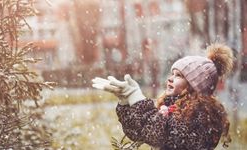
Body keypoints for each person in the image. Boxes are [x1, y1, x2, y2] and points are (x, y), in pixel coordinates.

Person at [92, 43, 233, 150]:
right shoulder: (172, 106)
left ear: (194, 86)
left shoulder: (200, 114)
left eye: (179, 76)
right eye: (172, 74)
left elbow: (156, 134)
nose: (170, 79)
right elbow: (138, 132)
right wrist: (126, 104)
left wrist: (137, 98)